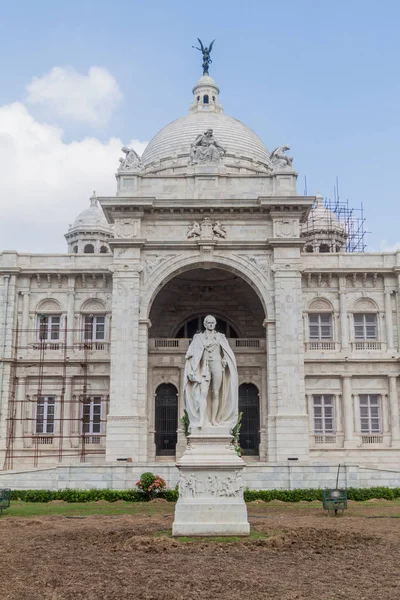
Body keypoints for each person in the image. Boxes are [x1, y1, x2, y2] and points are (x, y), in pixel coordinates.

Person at [184, 315, 238, 429]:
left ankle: (214, 419)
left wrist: (225, 359)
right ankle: (202, 420)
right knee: (203, 392)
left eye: (213, 322)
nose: (211, 324)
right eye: (209, 323)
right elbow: (190, 353)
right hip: (204, 367)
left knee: (215, 393)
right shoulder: (198, 338)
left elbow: (227, 353)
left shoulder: (220, 337)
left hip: (217, 366)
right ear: (204, 324)